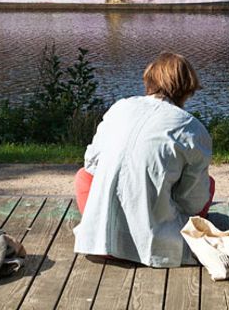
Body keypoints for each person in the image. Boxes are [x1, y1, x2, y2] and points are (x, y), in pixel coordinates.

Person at [72, 52, 215, 267]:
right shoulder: (192, 129)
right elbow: (192, 202)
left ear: (149, 81)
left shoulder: (120, 107)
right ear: (187, 89)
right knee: (208, 185)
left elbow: (91, 164)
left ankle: (101, 229)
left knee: (83, 177)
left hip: (100, 240)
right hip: (153, 241)